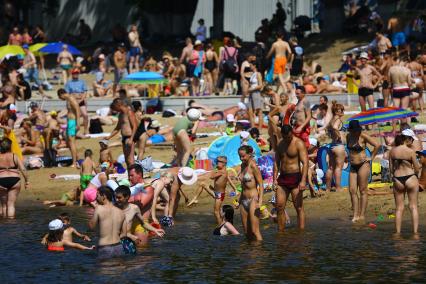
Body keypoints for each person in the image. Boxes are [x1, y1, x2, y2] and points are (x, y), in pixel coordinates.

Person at [274, 125, 308, 231]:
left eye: (288, 137)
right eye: (285, 137)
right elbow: (276, 162)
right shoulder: (280, 143)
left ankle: (301, 232)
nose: (287, 139)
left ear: (291, 133)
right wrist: (274, 178)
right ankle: (281, 232)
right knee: (279, 206)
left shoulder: (298, 143)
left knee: (298, 207)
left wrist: (303, 181)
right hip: (283, 177)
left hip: (295, 177)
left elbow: (305, 163)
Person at [187, 156, 237, 224]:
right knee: (202, 184)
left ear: (224, 163)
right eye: (217, 161)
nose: (217, 163)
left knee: (216, 211)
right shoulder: (225, 171)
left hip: (219, 195)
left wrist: (214, 170)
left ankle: (220, 226)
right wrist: (235, 189)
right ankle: (195, 199)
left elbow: (211, 177)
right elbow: (229, 180)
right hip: (215, 191)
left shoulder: (221, 172)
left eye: (219, 162)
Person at [346, 120, 379, 223]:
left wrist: (371, 157)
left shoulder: (363, 136)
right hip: (352, 166)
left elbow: (377, 145)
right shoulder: (348, 136)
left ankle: (362, 215)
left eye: (357, 130)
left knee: (363, 190)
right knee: (352, 190)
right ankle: (355, 215)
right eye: (354, 130)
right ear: (350, 130)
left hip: (363, 165)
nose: (356, 132)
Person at [389, 134, 420, 234]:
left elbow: (391, 168)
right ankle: (415, 233)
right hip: (410, 177)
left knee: (399, 208)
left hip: (398, 179)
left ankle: (397, 233)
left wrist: (394, 176)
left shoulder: (392, 151)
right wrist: (416, 176)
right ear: (405, 140)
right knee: (413, 206)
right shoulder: (410, 151)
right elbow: (416, 167)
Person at [89, 186, 127, 258]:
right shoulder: (121, 212)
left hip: (105, 248)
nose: (96, 199)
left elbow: (91, 226)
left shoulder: (99, 208)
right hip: (118, 247)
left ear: (104, 196)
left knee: (106, 269)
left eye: (97, 196)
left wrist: (95, 209)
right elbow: (124, 234)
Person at [237, 145, 263, 241]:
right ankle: (250, 252)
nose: (241, 158)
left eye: (243, 156)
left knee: (255, 231)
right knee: (246, 232)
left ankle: (260, 252)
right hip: (243, 200)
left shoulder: (253, 166)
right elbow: (243, 186)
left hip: (253, 199)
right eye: (240, 156)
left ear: (249, 154)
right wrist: (239, 200)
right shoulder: (242, 165)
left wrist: (260, 202)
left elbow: (261, 184)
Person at [0, 138, 29, 218]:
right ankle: (11, 223)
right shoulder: (14, 156)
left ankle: (5, 225)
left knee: (4, 205)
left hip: (1, 180)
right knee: (11, 204)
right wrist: (27, 181)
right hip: (14, 180)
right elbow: (23, 169)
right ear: (10, 146)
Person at [107, 98, 137, 167]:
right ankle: (130, 176)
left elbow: (135, 126)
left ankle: (134, 175)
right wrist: (109, 137)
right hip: (124, 138)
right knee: (126, 160)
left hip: (129, 138)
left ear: (119, 105)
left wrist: (132, 139)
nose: (115, 110)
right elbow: (118, 128)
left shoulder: (129, 112)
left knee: (131, 160)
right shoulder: (121, 114)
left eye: (115, 107)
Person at [325, 102, 346, 192]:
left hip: (332, 145)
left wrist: (333, 136)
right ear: (337, 111)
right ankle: (338, 187)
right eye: (341, 110)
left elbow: (328, 129)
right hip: (339, 146)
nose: (342, 112)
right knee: (338, 168)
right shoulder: (337, 120)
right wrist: (339, 136)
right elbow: (335, 127)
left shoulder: (331, 120)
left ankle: (328, 188)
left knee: (330, 168)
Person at [57, 88, 80, 167]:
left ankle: (74, 162)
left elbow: (77, 109)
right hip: (70, 122)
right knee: (68, 142)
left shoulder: (71, 98)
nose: (61, 99)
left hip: (72, 122)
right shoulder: (68, 100)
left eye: (60, 98)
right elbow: (71, 111)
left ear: (61, 94)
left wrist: (78, 123)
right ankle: (77, 158)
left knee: (71, 142)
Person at [64, 68, 89, 135]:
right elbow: (67, 94)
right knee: (73, 116)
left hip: (81, 100)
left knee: (85, 115)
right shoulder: (68, 83)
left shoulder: (82, 82)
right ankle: (75, 130)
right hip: (73, 100)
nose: (76, 74)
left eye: (77, 73)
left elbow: (85, 92)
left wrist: (82, 99)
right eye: (74, 73)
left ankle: (86, 130)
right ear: (72, 74)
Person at [388, 57, 412, 126]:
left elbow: (389, 81)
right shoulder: (407, 70)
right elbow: (409, 83)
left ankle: (394, 130)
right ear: (404, 62)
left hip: (396, 89)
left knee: (395, 111)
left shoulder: (391, 69)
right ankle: (403, 129)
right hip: (405, 88)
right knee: (404, 110)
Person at [247, 62, 264, 128]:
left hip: (256, 93)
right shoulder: (252, 74)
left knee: (259, 111)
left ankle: (259, 129)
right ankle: (252, 127)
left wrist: (251, 89)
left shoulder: (258, 74)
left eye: (251, 65)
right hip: (251, 93)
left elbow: (260, 85)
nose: (250, 66)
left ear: (255, 66)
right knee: (250, 111)